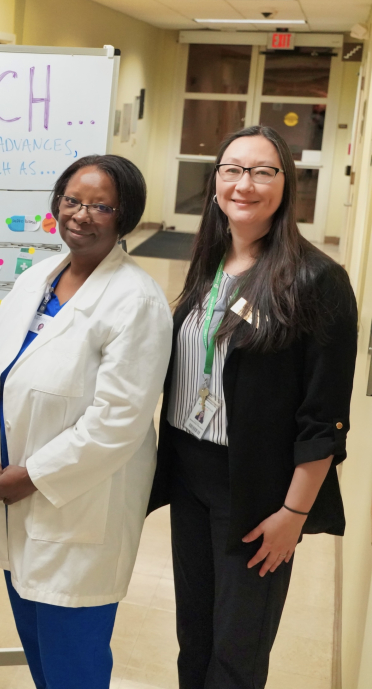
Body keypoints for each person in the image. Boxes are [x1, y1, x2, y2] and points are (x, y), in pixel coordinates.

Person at [148, 126, 357, 689]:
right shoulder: (209, 263)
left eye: (263, 171)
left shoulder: (318, 280)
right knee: (194, 634)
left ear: (287, 185)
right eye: (232, 169)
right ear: (215, 180)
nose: (245, 183)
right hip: (190, 473)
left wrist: (293, 516)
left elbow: (324, 418)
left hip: (258, 487)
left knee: (238, 649)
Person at [0, 155, 173, 688]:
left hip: (75, 511)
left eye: (101, 206)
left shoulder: (137, 300)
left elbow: (118, 422)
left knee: (73, 667)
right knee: (40, 656)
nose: (82, 215)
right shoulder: (38, 277)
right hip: (13, 503)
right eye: (72, 201)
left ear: (123, 216)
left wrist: (31, 476)